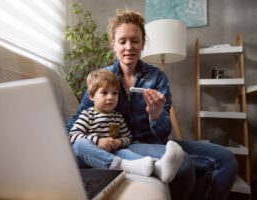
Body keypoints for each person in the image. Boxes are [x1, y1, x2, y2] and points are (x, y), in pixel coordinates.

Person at [67, 9, 238, 200]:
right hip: (124, 145)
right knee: (182, 165)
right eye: (123, 41)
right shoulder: (102, 78)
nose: (129, 47)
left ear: (143, 43)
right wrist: (66, 139)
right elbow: (80, 117)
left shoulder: (157, 77)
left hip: (152, 143)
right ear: (114, 45)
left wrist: (156, 115)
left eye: (135, 40)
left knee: (226, 160)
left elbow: (163, 133)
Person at [69, 68, 184, 183]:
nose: (110, 97)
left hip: (112, 153)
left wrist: (118, 142)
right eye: (104, 92)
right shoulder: (88, 114)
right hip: (89, 156)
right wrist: (98, 141)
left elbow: (128, 138)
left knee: (125, 152)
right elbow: (73, 135)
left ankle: (157, 168)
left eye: (114, 93)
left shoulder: (117, 117)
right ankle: (123, 165)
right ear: (91, 96)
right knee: (80, 145)